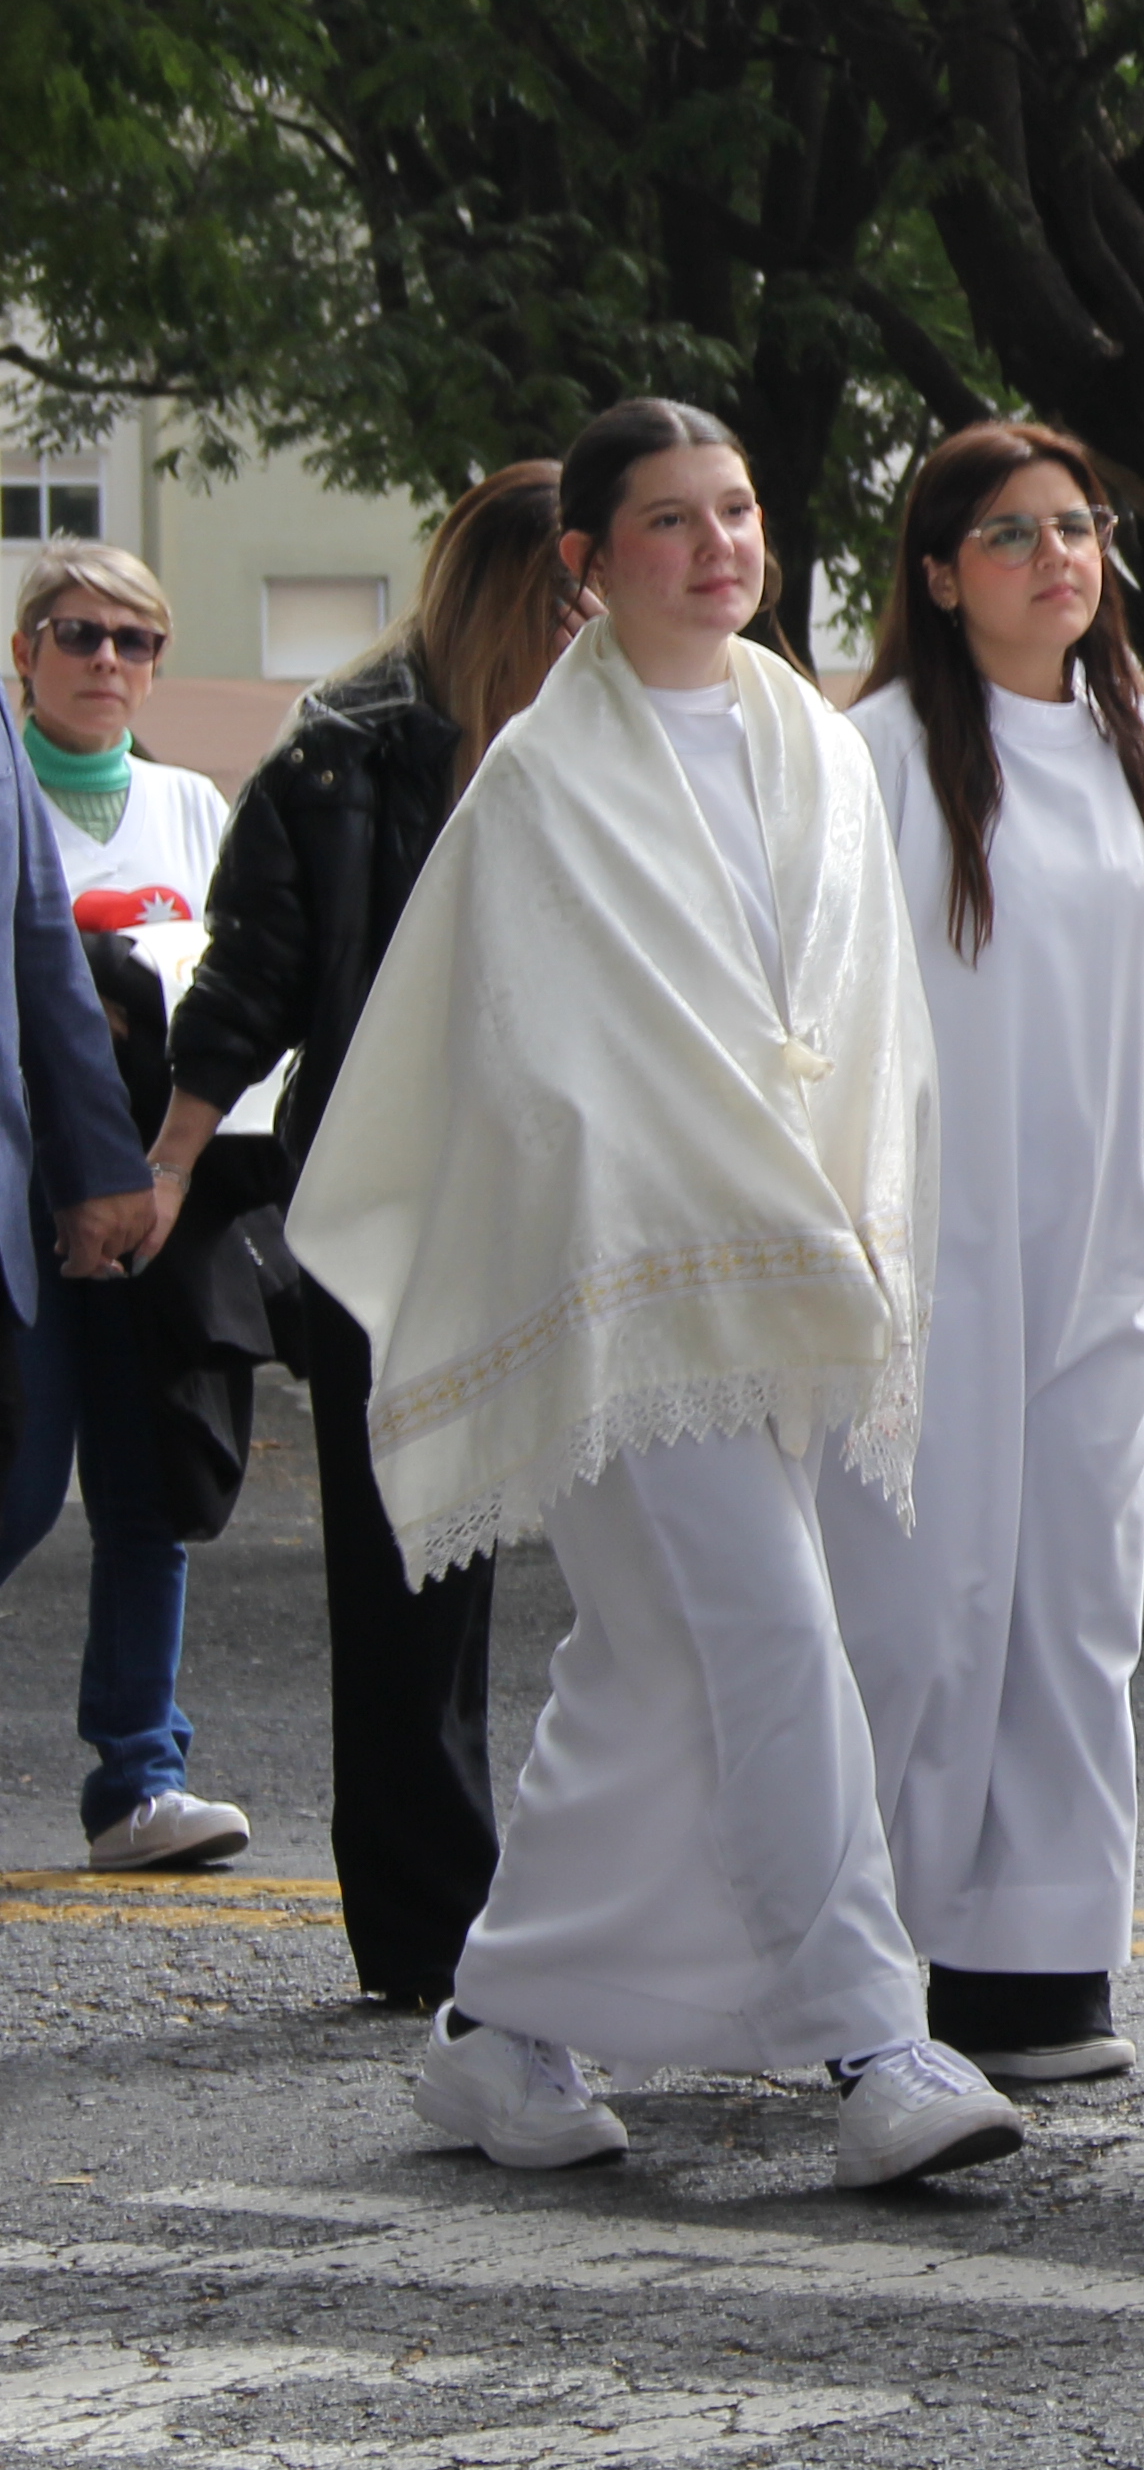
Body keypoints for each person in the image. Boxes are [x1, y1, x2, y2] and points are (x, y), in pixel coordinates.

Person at [287, 397, 1021, 2191]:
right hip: (629, 1296)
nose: (719, 548)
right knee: (773, 1634)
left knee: (647, 1672)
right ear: (588, 566)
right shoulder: (541, 778)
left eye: (740, 510)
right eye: (674, 522)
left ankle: (495, 2026)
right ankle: (875, 2040)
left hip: (786, 1277)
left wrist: (852, 1213)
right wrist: (688, 1184)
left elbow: (862, 1033)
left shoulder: (816, 747)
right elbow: (533, 1066)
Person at [150, 467, 575, 1994]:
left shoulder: (616, 735)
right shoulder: (342, 756)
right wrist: (167, 1167)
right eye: (569, 588)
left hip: (577, 1199)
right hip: (392, 1210)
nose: (591, 619)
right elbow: (247, 983)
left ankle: (615, 1905)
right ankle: (426, 1928)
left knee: (640, 1566)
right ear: (511, 585)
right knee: (411, 1578)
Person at [827, 423, 1144, 2090]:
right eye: (1008, 533)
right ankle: (847, 1961)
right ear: (935, 574)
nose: (1057, 556)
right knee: (921, 1601)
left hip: (1101, 1240)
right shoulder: (886, 754)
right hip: (934, 1242)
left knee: (1073, 1598)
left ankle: (1036, 1960)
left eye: (1078, 522)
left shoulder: (1143, 747)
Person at [1, 546, 247, 1870]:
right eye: (79, 635)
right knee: (21, 1485)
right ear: (25, 653)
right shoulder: (1, 791)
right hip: (19, 1209)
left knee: (150, 1489)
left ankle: (140, 1780)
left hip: (153, 1207)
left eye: (135, 642)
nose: (108, 662)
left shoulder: (192, 808)